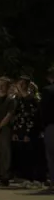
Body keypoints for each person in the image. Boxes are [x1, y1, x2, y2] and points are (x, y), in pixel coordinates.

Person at [10, 77, 41, 186]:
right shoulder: (18, 99)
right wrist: (14, 131)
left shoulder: (32, 98)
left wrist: (30, 133)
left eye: (22, 84)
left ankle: (33, 178)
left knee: (30, 154)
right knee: (20, 153)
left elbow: (34, 115)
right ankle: (22, 177)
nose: (19, 86)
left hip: (30, 129)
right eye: (19, 83)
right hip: (20, 128)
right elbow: (16, 115)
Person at [41, 64, 54, 192]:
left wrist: (43, 126)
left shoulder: (48, 90)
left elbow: (44, 110)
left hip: (52, 126)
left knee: (51, 155)